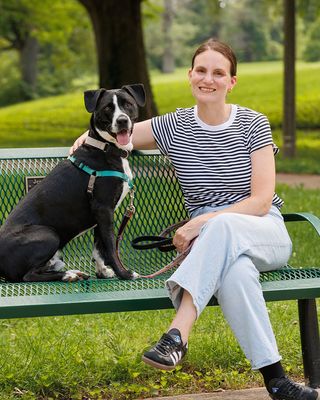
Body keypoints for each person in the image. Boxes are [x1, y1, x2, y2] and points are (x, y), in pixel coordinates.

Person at [70, 39, 318, 400]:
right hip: (214, 247)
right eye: (201, 71)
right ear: (190, 76)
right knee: (235, 274)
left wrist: (202, 222)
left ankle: (177, 334)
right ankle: (277, 380)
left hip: (263, 230)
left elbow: (262, 200)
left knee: (221, 226)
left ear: (231, 81)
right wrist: (85, 136)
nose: (208, 79)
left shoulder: (253, 124)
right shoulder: (175, 125)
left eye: (219, 73)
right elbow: (114, 131)